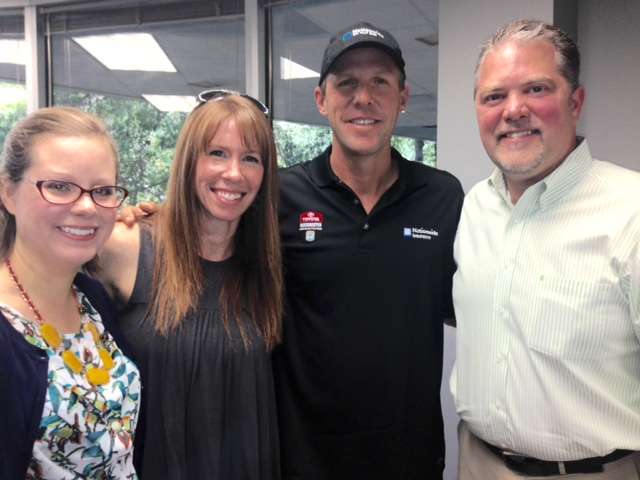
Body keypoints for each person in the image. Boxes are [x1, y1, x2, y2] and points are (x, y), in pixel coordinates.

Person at [273, 22, 464, 479]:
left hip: (409, 460)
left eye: (380, 82)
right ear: (321, 99)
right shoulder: (280, 196)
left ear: (403, 98)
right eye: (347, 83)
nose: (364, 98)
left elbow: (474, 303)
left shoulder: (442, 196)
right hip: (305, 461)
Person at [452, 19, 640, 479]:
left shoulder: (631, 210)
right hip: (476, 462)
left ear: (575, 102)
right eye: (494, 96)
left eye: (536, 89)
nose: (513, 110)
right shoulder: (474, 206)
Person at [95, 91, 282, 479]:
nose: (234, 173)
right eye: (217, 153)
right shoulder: (126, 246)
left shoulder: (267, 264)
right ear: (189, 162)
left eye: (251, 158)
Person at [0, 106, 140, 479]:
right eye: (60, 187)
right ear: (8, 192)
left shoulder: (91, 297)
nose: (86, 206)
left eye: (103, 191)